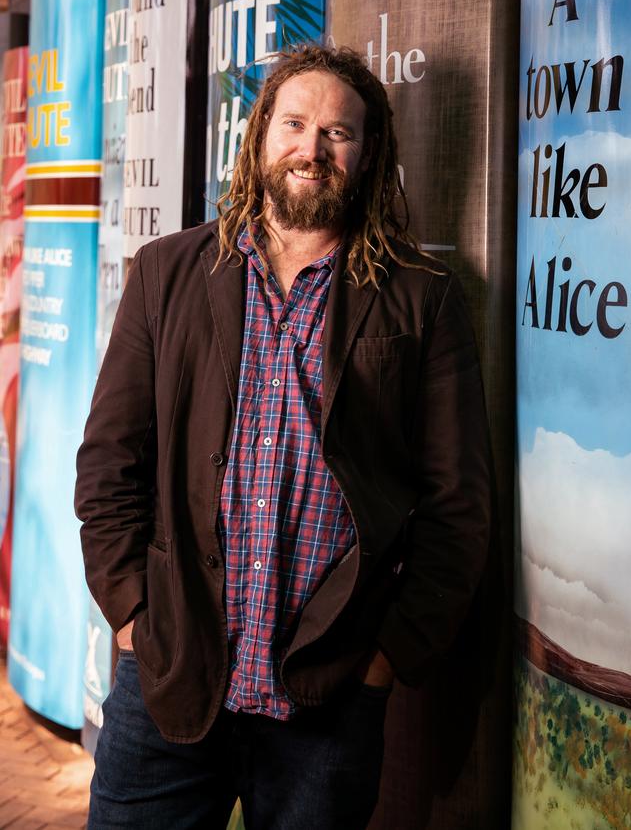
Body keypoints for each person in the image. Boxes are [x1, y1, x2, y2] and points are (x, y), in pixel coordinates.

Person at [75, 44, 491, 830]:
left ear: (368, 156)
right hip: (170, 680)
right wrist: (132, 613)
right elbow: (108, 464)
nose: (313, 147)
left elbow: (458, 508)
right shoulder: (165, 273)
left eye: (339, 133)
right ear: (261, 134)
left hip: (329, 701)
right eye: (295, 123)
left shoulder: (422, 298)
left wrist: (385, 659)